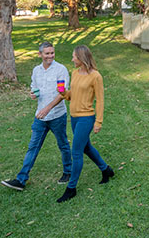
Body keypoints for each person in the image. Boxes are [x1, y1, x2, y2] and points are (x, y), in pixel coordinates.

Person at [36, 45, 114, 203]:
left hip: (87, 118)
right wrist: (65, 93)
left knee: (76, 152)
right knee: (86, 148)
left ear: (82, 58)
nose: (72, 59)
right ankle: (106, 170)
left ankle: (71, 188)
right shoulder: (75, 73)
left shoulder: (95, 76)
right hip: (75, 117)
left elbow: (100, 100)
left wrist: (98, 121)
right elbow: (73, 95)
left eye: (74, 57)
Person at [1, 42, 72, 191]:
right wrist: (33, 93)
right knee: (33, 146)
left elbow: (63, 94)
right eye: (47, 53)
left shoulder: (61, 70)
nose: (50, 56)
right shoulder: (36, 71)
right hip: (40, 116)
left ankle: (68, 172)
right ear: (40, 54)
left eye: (52, 53)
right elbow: (34, 87)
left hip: (57, 115)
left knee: (63, 144)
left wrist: (48, 108)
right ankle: (21, 180)